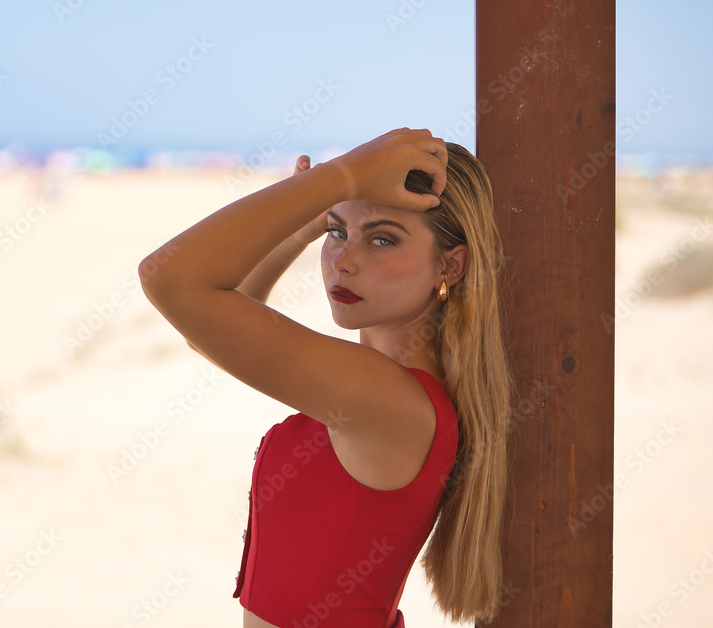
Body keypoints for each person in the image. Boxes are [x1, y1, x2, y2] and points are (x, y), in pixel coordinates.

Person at [138, 128, 513, 627]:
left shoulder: (387, 399)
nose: (343, 260)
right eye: (336, 232)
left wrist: (340, 178)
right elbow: (205, 332)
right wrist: (309, 219)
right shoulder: (382, 390)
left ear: (450, 265)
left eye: (382, 239)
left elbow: (171, 277)